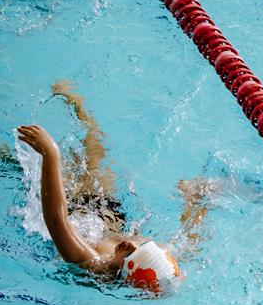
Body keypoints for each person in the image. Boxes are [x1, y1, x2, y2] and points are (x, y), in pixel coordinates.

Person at [17, 82, 216, 293]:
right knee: (95, 151)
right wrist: (196, 200)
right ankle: (78, 104)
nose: (131, 245)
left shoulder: (93, 265)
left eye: (131, 256)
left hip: (73, 208)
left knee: (17, 163)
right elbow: (188, 242)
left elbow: (57, 221)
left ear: (127, 274)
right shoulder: (154, 256)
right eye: (143, 247)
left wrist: (51, 152)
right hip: (109, 218)